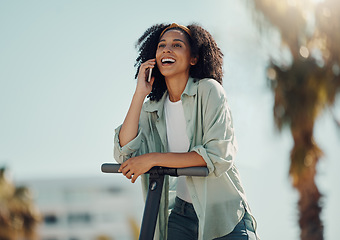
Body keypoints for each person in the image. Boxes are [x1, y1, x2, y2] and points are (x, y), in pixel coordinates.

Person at [114, 23, 258, 240]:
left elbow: (217, 155)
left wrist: (153, 159)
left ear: (194, 58)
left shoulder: (209, 91)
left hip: (223, 215)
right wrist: (139, 94)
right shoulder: (152, 108)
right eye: (161, 45)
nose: (167, 49)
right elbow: (124, 153)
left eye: (177, 45)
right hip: (182, 215)